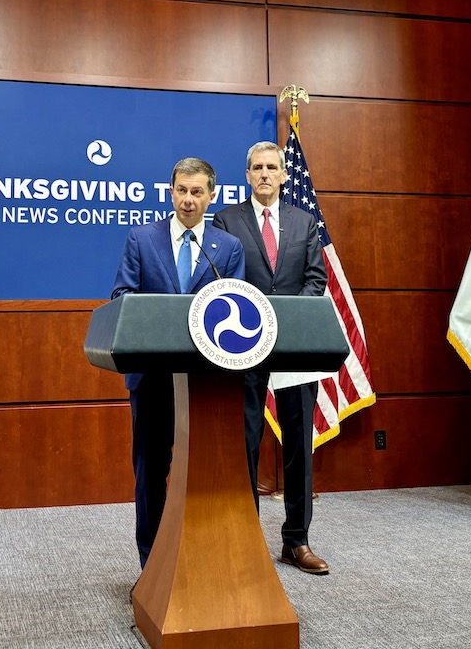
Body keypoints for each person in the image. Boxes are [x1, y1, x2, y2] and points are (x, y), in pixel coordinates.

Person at [111, 156, 245, 569]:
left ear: (212, 196)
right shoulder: (142, 239)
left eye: (197, 192)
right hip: (153, 378)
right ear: (171, 192)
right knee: (151, 474)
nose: (188, 200)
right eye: (181, 191)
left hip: (208, 382)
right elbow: (122, 298)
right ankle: (151, 566)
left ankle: (201, 564)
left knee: (206, 473)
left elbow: (237, 306)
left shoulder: (228, 247)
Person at [212, 140, 330, 574]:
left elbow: (315, 279)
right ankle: (245, 538)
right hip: (244, 345)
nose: (265, 173)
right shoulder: (226, 220)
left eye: (272, 167)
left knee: (299, 443)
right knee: (245, 441)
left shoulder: (304, 222)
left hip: (295, 344)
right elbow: (221, 279)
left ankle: (296, 542)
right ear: (247, 175)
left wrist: (288, 318)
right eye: (257, 167)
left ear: (284, 175)